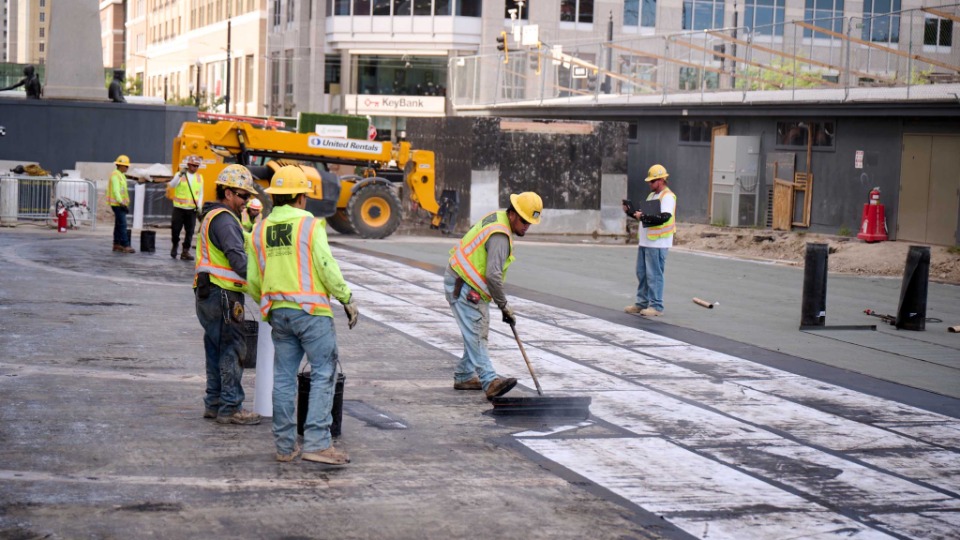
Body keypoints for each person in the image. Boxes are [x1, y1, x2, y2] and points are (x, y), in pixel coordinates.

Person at [247, 165, 358, 465]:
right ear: (298, 197)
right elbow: (326, 265)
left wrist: (271, 302)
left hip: (278, 314)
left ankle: (285, 447)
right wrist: (346, 297)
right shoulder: (309, 225)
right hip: (311, 313)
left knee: (283, 378)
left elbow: (253, 279)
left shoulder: (259, 229)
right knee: (324, 371)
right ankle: (318, 443)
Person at [445, 191, 543, 400]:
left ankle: (464, 375)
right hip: (464, 284)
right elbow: (493, 275)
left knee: (475, 330)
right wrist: (504, 305)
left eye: (530, 222)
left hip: (461, 280)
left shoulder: (498, 219)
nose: (526, 226)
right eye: (524, 221)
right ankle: (490, 381)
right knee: (477, 332)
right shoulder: (500, 236)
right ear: (514, 214)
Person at [194, 164, 262, 426]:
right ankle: (231, 407)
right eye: (243, 196)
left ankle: (213, 403)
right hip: (224, 295)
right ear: (228, 193)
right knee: (232, 348)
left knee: (214, 346)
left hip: (208, 292)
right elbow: (238, 260)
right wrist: (261, 287)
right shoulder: (224, 219)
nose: (246, 202)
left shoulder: (213, 216)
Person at [623, 164, 677, 317]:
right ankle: (642, 303)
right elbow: (646, 218)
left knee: (654, 274)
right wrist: (631, 213)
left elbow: (663, 217)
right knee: (642, 273)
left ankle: (656, 305)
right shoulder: (652, 196)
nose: (650, 184)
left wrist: (643, 216)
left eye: (652, 182)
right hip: (647, 241)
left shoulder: (667, 197)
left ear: (661, 180)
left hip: (658, 243)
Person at [169, 155, 204, 260]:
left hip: (191, 210)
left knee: (190, 232)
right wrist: (179, 175)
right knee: (175, 230)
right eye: (193, 165)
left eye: (197, 166)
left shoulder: (200, 178)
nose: (194, 168)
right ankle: (175, 245)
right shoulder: (180, 175)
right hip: (179, 208)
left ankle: (185, 251)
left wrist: (199, 207)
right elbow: (172, 185)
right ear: (188, 165)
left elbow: (201, 193)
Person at [108, 155, 135, 253]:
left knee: (118, 224)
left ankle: (116, 244)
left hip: (120, 204)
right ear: (120, 166)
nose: (127, 168)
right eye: (126, 166)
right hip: (118, 204)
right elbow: (116, 191)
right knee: (123, 224)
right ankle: (125, 244)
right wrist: (121, 202)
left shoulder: (121, 175)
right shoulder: (115, 175)